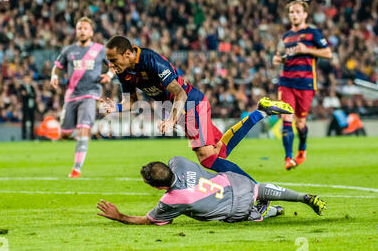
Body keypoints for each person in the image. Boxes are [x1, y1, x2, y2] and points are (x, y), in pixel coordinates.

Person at [102, 35, 294, 174]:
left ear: (127, 54)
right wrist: (116, 108)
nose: (111, 66)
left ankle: (255, 193)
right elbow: (132, 101)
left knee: (208, 158)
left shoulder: (151, 60)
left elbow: (179, 94)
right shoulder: (123, 70)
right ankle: (260, 112)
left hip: (190, 103)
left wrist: (170, 120)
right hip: (180, 112)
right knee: (219, 151)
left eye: (113, 60)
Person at [96, 156, 327, 225]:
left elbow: (147, 221)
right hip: (237, 184)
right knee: (258, 189)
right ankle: (301, 197)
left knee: (249, 213)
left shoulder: (171, 200)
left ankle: (270, 211)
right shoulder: (179, 162)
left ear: (157, 187)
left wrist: (120, 216)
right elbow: (170, 164)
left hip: (235, 211)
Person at [50, 17, 114, 178]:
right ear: (76, 31)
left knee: (83, 129)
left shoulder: (100, 49)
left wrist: (109, 75)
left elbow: (113, 64)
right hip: (71, 96)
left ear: (91, 32)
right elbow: (57, 67)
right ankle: (83, 138)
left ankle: (76, 169)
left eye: (85, 28)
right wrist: (54, 77)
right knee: (64, 134)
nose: (82, 31)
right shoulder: (69, 51)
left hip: (90, 94)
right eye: (79, 28)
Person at [273, 1, 332, 170]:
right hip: (286, 82)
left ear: (305, 14)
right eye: (291, 12)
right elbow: (282, 56)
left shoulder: (313, 33)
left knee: (300, 124)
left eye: (298, 11)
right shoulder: (286, 37)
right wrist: (278, 59)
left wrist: (307, 50)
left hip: (305, 83)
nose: (294, 14)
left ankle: (302, 147)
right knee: (286, 119)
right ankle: (288, 158)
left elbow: (328, 53)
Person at [19, 72, 37, 140]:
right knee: (24, 121)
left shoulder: (31, 87)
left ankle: (32, 136)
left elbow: (34, 95)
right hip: (25, 107)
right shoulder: (22, 87)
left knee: (32, 121)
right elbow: (24, 95)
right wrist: (29, 95)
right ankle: (24, 136)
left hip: (31, 107)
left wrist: (28, 94)